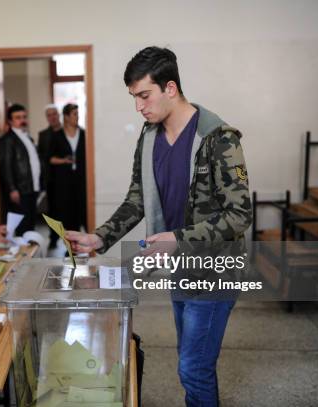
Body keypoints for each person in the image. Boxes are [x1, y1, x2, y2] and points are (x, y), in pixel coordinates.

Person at [66, 47, 251, 406]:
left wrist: (178, 239)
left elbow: (238, 214)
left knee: (193, 367)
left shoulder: (219, 138)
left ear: (170, 88)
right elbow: (137, 198)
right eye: (134, 97)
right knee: (191, 357)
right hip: (181, 267)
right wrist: (100, 236)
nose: (139, 106)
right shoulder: (149, 136)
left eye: (144, 95)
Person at [0, 104, 42, 235]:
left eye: (24, 117)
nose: (22, 120)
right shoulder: (7, 140)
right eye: (18, 117)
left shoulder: (27, 137)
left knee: (31, 223)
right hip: (20, 190)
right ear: (10, 121)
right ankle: (24, 254)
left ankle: (30, 253)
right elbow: (5, 166)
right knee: (23, 226)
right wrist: (12, 189)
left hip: (32, 188)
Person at [48, 103, 87, 234]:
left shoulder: (84, 134)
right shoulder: (57, 135)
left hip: (82, 180)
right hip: (64, 181)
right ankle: (71, 246)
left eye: (78, 113)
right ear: (66, 117)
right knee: (68, 213)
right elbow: (50, 158)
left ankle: (88, 244)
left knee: (83, 211)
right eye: (75, 114)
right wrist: (64, 160)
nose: (78, 117)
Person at [37, 104, 62, 248]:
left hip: (67, 179)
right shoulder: (43, 135)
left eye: (54, 114)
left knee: (68, 210)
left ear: (58, 115)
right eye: (49, 115)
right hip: (50, 179)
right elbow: (42, 158)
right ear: (47, 117)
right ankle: (53, 238)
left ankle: (69, 241)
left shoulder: (68, 131)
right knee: (52, 210)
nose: (52, 117)